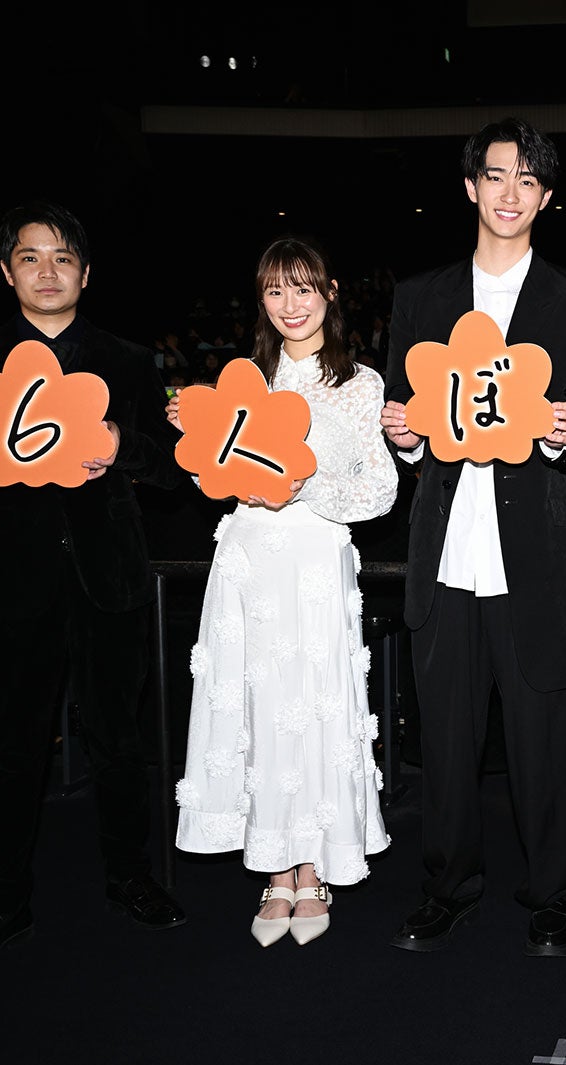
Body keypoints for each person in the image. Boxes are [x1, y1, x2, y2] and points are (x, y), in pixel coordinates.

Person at [0, 200, 188, 977]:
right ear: (7, 271)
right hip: (16, 583)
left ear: (86, 272)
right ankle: (2, 903)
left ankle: (130, 876)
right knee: (12, 750)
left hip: (109, 578)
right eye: (30, 257)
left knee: (119, 741)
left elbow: (171, 469)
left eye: (63, 257)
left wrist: (122, 444)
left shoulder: (127, 359)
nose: (47, 271)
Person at [379, 117, 566, 957]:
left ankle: (553, 894)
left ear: (545, 198)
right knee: (444, 739)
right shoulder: (421, 296)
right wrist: (403, 437)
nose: (511, 193)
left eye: (528, 180)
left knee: (543, 740)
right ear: (471, 185)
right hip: (446, 550)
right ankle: (448, 886)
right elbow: (403, 418)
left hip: (535, 553)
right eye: (497, 175)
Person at [169, 236, 399, 946]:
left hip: (314, 555)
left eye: (303, 287)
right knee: (259, 707)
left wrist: (304, 489)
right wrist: (194, 436)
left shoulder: (360, 383)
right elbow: (217, 477)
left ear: (330, 292)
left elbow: (381, 490)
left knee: (312, 704)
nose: (290, 304)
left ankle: (314, 866)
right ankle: (275, 869)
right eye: (275, 290)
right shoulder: (244, 380)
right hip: (248, 559)